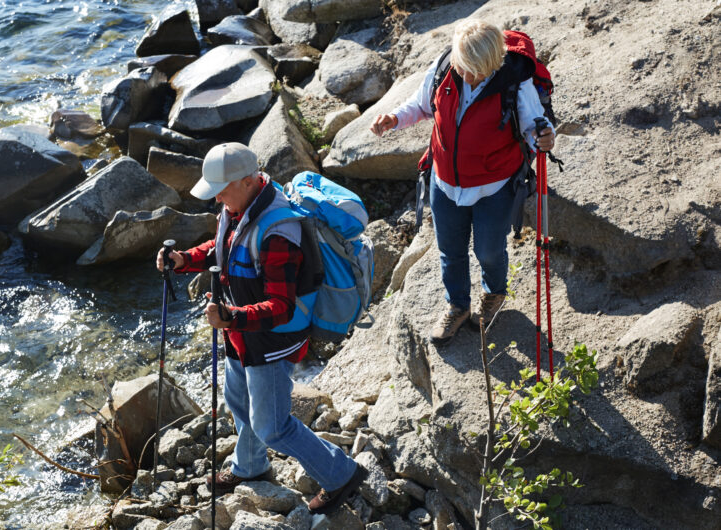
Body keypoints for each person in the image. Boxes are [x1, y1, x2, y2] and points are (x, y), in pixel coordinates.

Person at [156, 142, 366, 515]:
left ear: (248, 180)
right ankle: (250, 465)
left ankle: (341, 474)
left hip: (271, 341)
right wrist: (185, 259)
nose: (216, 198)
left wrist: (231, 317)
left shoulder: (279, 232)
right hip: (242, 333)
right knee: (238, 399)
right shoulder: (238, 207)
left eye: (221, 189)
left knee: (274, 427)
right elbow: (224, 248)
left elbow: (282, 307)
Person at [370, 18, 556, 344]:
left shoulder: (515, 82)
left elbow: (533, 126)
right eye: (464, 67)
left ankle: (494, 293)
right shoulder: (445, 66)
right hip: (444, 183)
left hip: (494, 187)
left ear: (494, 64)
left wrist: (545, 137)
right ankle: (457, 305)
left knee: (488, 251)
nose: (468, 77)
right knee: (450, 251)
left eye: (477, 72)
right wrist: (395, 118)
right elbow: (422, 105)